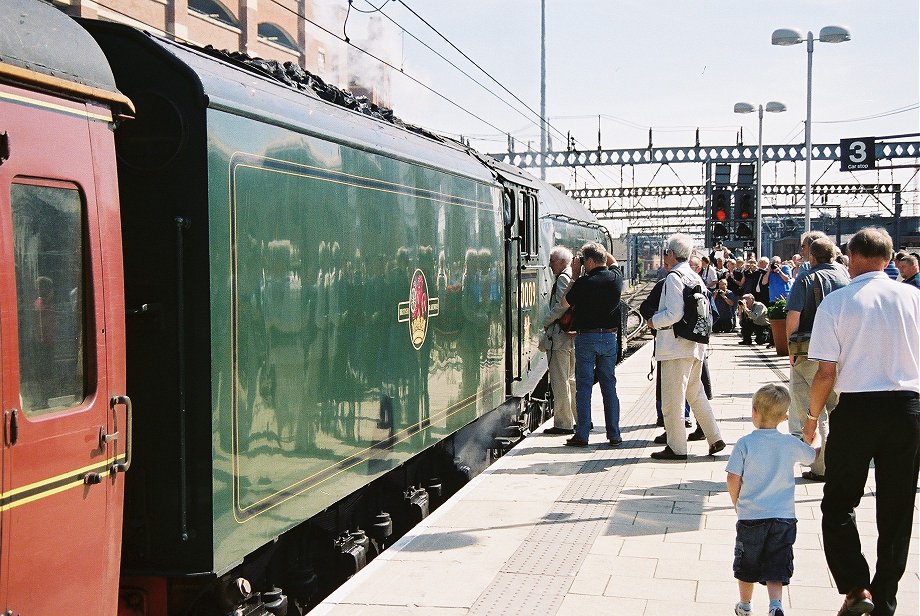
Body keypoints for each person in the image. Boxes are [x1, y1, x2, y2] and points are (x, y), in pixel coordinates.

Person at [806, 227, 920, 616]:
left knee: (838, 502)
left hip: (855, 410)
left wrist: (811, 418)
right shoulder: (915, 299)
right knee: (897, 506)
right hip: (908, 409)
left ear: (851, 257)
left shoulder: (838, 303)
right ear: (889, 260)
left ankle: (857, 588)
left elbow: (825, 373)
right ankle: (886, 596)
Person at [726, 384, 818, 616]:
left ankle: (745, 605)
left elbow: (732, 477)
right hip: (783, 517)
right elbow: (810, 457)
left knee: (747, 563)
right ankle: (775, 605)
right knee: (777, 562)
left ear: (754, 411)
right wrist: (813, 440)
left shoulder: (745, 443)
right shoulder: (788, 443)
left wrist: (737, 503)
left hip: (751, 517)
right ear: (785, 417)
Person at [647, 233, 724, 460]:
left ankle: (677, 448)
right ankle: (715, 437)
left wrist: (654, 321)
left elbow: (674, 313)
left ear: (671, 254)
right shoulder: (694, 276)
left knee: (673, 400)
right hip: (695, 345)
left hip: (675, 347)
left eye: (665, 253)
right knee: (695, 393)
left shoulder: (674, 277)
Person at [784, 237, 849, 478]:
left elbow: (793, 315)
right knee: (835, 407)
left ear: (812, 257)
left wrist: (791, 349)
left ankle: (821, 466)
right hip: (842, 349)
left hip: (810, 350)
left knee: (813, 409)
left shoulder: (807, 277)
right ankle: (837, 461)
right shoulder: (845, 276)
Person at [561, 242, 624, 447]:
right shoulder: (616, 278)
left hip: (586, 338)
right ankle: (614, 435)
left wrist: (574, 274)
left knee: (584, 387)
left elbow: (564, 303)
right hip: (609, 338)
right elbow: (611, 261)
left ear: (588, 261)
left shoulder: (582, 283)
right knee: (609, 387)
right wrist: (598, 253)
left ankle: (582, 435)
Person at [541, 246, 576, 435]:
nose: (550, 265)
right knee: (571, 380)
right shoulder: (573, 275)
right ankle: (578, 419)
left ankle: (563, 422)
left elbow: (562, 305)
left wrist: (546, 321)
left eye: (552, 260)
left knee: (560, 381)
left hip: (560, 336)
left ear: (562, 262)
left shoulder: (563, 278)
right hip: (570, 336)